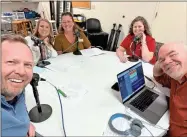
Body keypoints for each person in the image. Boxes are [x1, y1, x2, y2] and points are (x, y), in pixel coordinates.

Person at [1, 34, 35, 136]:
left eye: (27, 65)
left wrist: (25, 124)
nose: (22, 72)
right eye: (11, 62)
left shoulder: (17, 89)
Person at [153, 42, 187, 136]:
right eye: (162, 60)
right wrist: (161, 62)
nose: (167, 61)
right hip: (167, 129)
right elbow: (157, 76)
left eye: (173, 54)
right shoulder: (175, 77)